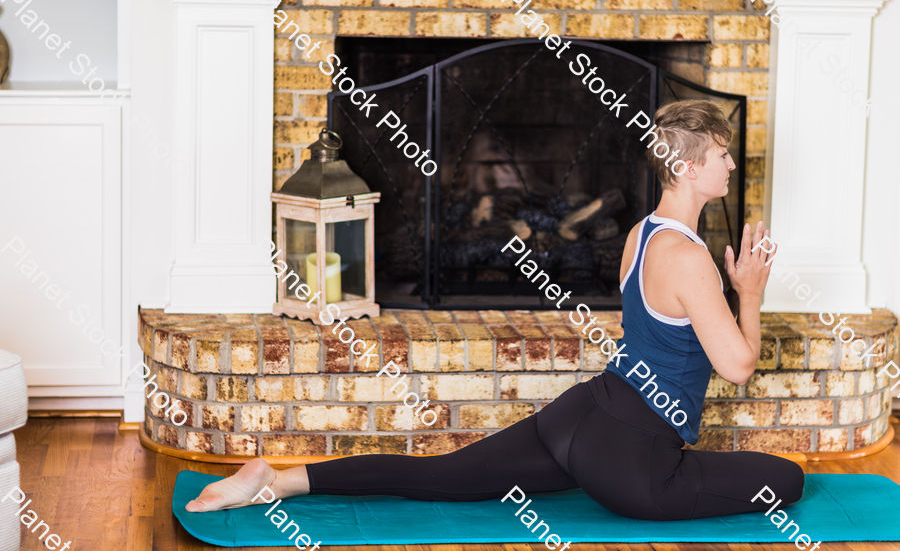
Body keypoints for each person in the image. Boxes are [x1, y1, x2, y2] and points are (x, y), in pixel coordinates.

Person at [185, 99, 804, 521]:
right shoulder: (690, 257)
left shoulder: (642, 234)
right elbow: (738, 367)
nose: (730, 162)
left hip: (581, 415)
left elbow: (656, 341)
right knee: (788, 481)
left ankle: (278, 479)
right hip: (631, 463)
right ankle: (275, 481)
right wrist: (749, 292)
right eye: (722, 153)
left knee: (443, 477)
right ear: (692, 166)